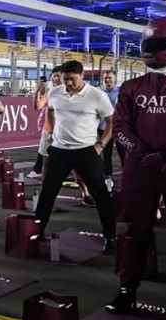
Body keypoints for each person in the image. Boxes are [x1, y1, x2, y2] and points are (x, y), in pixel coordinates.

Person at [107, 16, 166, 320]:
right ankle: (127, 290)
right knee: (135, 234)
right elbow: (119, 126)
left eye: (158, 45)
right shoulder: (132, 86)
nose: (151, 51)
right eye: (148, 44)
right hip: (142, 170)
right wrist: (144, 152)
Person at [34, 60, 116, 251]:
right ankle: (37, 232)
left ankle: (110, 237)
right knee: (47, 193)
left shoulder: (97, 96)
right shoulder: (55, 92)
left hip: (87, 151)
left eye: (72, 79)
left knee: (101, 195)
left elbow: (112, 122)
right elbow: (51, 110)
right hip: (59, 151)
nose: (68, 83)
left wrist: (100, 144)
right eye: (65, 79)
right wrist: (53, 132)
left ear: (82, 76)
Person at [98, 71, 124, 190]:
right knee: (106, 154)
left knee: (123, 153)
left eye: (110, 78)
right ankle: (108, 178)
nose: (107, 80)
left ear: (115, 79)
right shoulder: (99, 91)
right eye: (105, 78)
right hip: (103, 127)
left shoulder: (122, 90)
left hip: (119, 128)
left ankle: (126, 176)